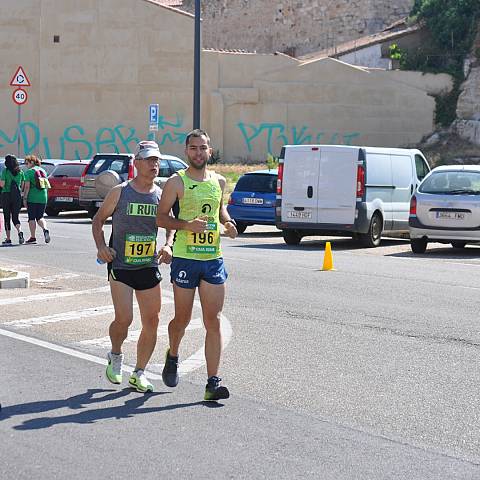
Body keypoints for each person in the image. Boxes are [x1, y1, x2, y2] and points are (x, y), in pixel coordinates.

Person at [156, 129, 238, 401]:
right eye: (193, 148)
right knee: (181, 318)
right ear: (186, 151)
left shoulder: (219, 181)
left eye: (203, 148)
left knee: (212, 321)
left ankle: (212, 383)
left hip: (212, 258)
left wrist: (229, 222)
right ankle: (173, 354)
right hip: (185, 258)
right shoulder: (175, 182)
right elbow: (161, 218)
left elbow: (220, 210)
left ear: (210, 151)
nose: (198, 153)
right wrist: (186, 225)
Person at [92, 140, 174, 393]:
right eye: (148, 160)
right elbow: (98, 220)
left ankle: (139, 373)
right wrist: (102, 247)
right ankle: (115, 355)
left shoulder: (161, 194)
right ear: (136, 163)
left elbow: (170, 224)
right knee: (124, 319)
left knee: (152, 320)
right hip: (122, 266)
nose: (154, 164)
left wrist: (168, 244)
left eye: (157, 160)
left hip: (148, 265)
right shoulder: (120, 191)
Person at [22, 155, 50, 244]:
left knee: (31, 218)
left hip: (32, 198)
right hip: (43, 197)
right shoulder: (43, 171)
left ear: (32, 162)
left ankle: (33, 237)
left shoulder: (29, 172)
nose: (26, 165)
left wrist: (25, 198)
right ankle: (45, 229)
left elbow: (27, 187)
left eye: (27, 163)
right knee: (40, 217)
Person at [0, 155, 25, 245]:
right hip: (17, 196)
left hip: (6, 195)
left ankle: (8, 238)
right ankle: (20, 231)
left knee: (7, 217)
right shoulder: (20, 172)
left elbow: (2, 184)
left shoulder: (5, 171)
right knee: (15, 217)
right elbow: (22, 186)